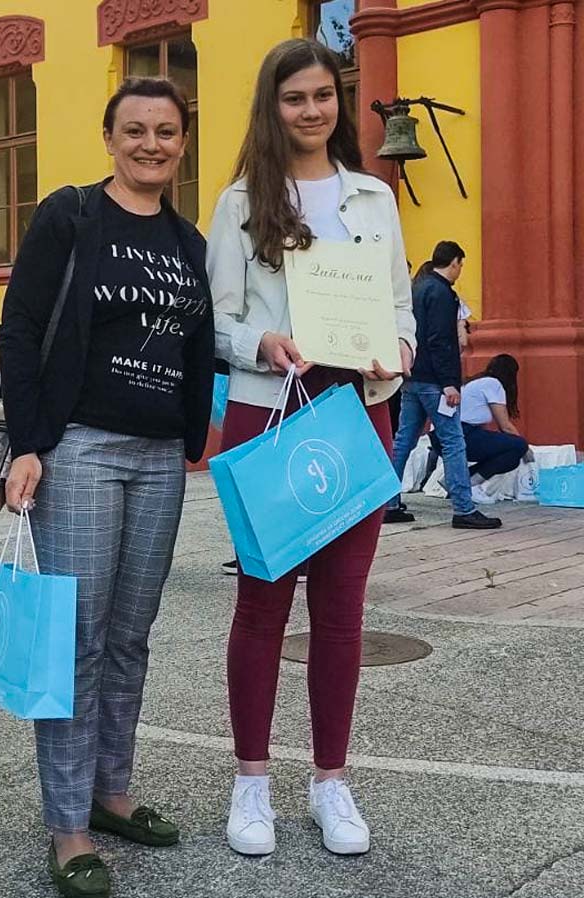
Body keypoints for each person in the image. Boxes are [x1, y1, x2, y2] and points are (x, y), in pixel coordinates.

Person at [0, 76, 214, 898]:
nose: (151, 144)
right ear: (110, 138)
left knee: (131, 637)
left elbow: (200, 340)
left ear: (182, 143)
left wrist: (192, 435)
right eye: (135, 130)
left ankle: (111, 792)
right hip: (82, 448)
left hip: (159, 457)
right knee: (77, 641)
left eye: (166, 131)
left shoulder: (188, 242)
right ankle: (69, 827)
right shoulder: (71, 214)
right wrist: (28, 443)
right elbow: (20, 327)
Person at [207, 38, 415, 859]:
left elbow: (398, 307)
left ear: (339, 100)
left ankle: (331, 781)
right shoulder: (239, 203)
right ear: (273, 106)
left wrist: (397, 352)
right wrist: (261, 344)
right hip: (272, 414)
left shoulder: (374, 198)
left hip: (358, 411)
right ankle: (251, 780)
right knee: (263, 602)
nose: (311, 110)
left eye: (323, 95)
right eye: (294, 97)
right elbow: (216, 321)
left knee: (342, 608)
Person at [384, 241, 501, 529]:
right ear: (455, 262)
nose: (460, 271)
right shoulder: (443, 294)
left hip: (412, 377)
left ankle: (387, 504)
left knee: (403, 441)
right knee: (453, 442)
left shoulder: (418, 288)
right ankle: (463, 509)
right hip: (435, 383)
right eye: (461, 265)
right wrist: (450, 383)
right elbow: (441, 341)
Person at [459, 354, 529, 503]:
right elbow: (505, 426)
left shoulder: (475, 382)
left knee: (507, 454)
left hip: (448, 435)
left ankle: (457, 480)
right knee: (518, 446)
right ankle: (471, 485)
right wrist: (525, 448)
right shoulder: (493, 384)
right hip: (464, 434)